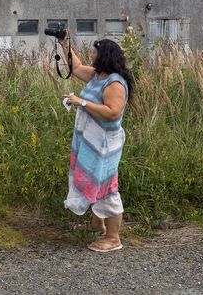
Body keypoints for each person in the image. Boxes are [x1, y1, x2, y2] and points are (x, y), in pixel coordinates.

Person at [59, 36, 133, 252]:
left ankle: (113, 237)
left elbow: (112, 113)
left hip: (104, 144)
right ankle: (98, 224)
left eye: (94, 53)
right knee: (92, 179)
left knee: (107, 185)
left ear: (105, 56)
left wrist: (81, 102)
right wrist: (65, 45)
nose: (91, 55)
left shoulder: (115, 83)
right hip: (90, 141)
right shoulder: (97, 76)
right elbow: (76, 67)